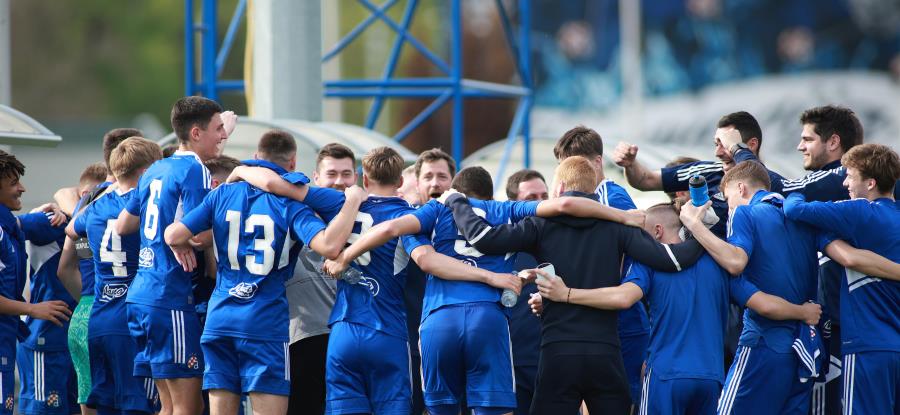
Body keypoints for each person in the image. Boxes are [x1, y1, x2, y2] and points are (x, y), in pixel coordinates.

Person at [322, 153, 642, 415]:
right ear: (491, 194)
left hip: (437, 321)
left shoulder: (434, 210)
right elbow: (565, 205)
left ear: (454, 190)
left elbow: (394, 232)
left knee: (439, 408)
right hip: (487, 319)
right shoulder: (505, 209)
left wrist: (345, 255)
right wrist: (625, 216)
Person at [443, 156, 705, 415]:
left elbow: (484, 239)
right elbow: (671, 260)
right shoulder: (619, 226)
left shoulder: (540, 224)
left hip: (558, 352)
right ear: (595, 191)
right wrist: (702, 231)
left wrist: (457, 201)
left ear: (558, 189)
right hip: (605, 353)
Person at [529, 202, 823, 415]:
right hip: (710, 379)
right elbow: (763, 304)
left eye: (641, 234)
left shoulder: (648, 264)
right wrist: (802, 312)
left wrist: (565, 295)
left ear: (657, 231)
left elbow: (622, 298)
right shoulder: (718, 264)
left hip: (665, 377)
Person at [164, 131, 364, 415]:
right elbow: (330, 246)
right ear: (292, 163)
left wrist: (180, 245)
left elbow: (173, 235)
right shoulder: (292, 204)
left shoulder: (221, 194)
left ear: (256, 157)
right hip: (264, 321)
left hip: (220, 317)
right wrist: (353, 201)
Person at [677, 160, 822, 414]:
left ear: (741, 189)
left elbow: (735, 262)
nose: (729, 207)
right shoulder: (801, 218)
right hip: (802, 349)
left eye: (728, 199)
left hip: (763, 342)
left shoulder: (745, 213)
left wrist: (694, 225)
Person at [116, 97, 230, 415]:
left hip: (141, 294)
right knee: (187, 407)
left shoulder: (156, 168)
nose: (223, 135)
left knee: (167, 406)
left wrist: (169, 233)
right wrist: (185, 237)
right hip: (170, 296)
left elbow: (124, 224)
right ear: (196, 133)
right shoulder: (196, 170)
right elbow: (199, 234)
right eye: (219, 129)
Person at [783, 143, 900, 415]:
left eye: (850, 176)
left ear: (870, 183)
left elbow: (795, 209)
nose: (845, 183)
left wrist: (799, 195)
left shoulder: (860, 211)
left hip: (868, 345)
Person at [323, 147, 431, 414]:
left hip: (343, 330)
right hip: (387, 331)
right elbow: (426, 260)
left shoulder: (341, 206)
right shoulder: (410, 218)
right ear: (401, 181)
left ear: (364, 178)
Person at [63, 137, 164, 414]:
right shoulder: (143, 202)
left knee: (107, 405)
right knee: (139, 405)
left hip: (101, 316)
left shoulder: (98, 205)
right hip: (132, 318)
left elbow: (71, 230)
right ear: (146, 172)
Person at [554, 126, 650, 410]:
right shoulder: (585, 201)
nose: (569, 176)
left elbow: (616, 257)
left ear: (597, 163)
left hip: (620, 321)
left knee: (614, 403)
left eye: (576, 165)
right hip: (597, 317)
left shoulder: (608, 199)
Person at [0, 151, 72, 415]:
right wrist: (32, 309)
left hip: (8, 338)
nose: (22, 188)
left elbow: (25, 222)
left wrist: (58, 211)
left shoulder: (10, 225)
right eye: (13, 183)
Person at [503, 169, 548, 415]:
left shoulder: (562, 241)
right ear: (513, 204)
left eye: (544, 196)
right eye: (531, 198)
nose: (540, 204)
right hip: (513, 362)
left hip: (555, 362)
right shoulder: (500, 245)